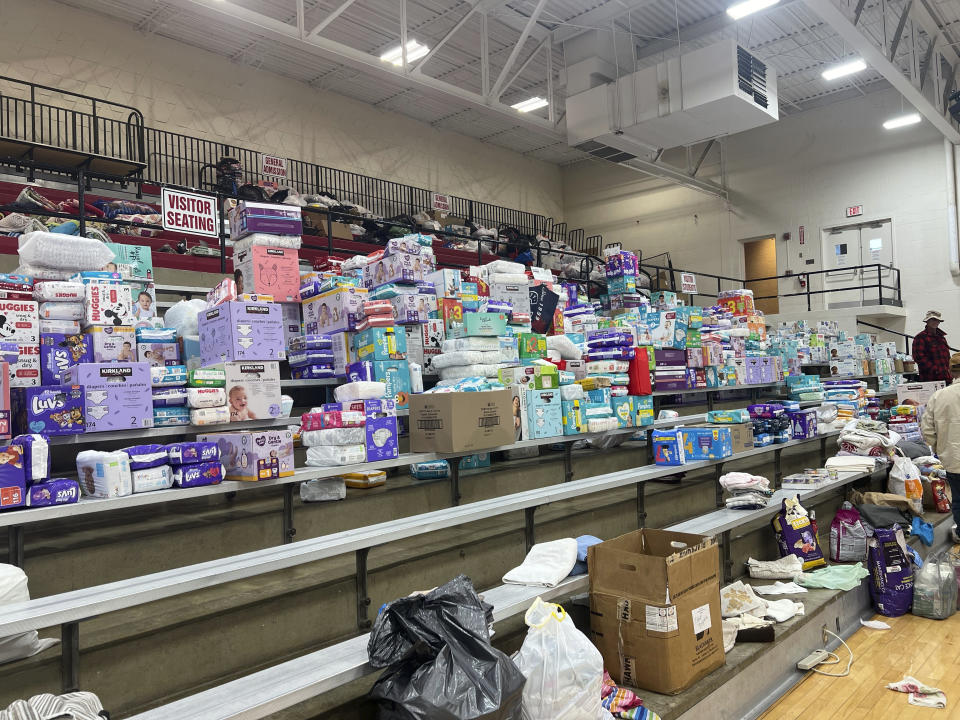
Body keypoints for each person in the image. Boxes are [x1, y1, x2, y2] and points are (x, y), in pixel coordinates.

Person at [920, 352, 960, 543]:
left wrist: (940, 448)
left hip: (953, 459)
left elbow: (927, 430)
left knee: (959, 500)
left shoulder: (939, 397)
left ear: (950, 372)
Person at [912, 310, 952, 383]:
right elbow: (919, 358)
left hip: (946, 377)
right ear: (927, 321)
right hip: (930, 379)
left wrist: (949, 370)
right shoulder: (920, 337)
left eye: (937, 320)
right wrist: (936, 370)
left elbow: (947, 356)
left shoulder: (942, 337)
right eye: (933, 319)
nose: (935, 322)